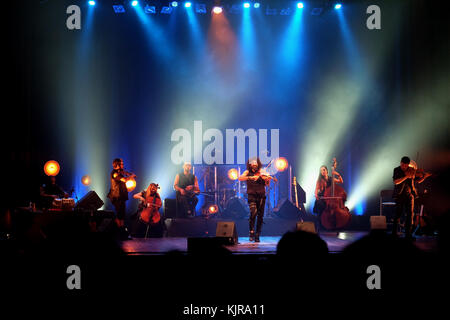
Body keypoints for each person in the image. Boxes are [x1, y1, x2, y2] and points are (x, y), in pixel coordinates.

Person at [392, 156, 432, 240]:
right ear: (401, 163)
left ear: (408, 164)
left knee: (410, 215)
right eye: (403, 165)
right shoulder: (396, 170)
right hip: (399, 195)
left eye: (406, 165)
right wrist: (406, 176)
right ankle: (394, 234)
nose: (404, 167)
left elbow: (418, 180)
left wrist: (424, 176)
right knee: (397, 215)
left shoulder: (411, 170)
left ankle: (408, 235)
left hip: (409, 195)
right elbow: (396, 182)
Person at [238, 157, 276, 242]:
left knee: (260, 216)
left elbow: (267, 185)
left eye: (256, 163)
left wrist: (267, 179)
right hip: (252, 195)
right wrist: (250, 177)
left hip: (261, 195)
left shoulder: (263, 172)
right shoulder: (247, 172)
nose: (255, 164)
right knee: (253, 212)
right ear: (250, 164)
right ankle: (251, 231)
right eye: (253, 163)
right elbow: (240, 178)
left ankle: (258, 234)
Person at [107, 158, 135, 239]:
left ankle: (122, 232)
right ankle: (120, 232)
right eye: (121, 164)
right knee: (119, 215)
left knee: (122, 215)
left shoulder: (119, 172)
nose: (123, 165)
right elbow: (124, 179)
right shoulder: (114, 173)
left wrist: (129, 173)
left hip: (121, 196)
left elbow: (124, 174)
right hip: (117, 197)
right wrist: (131, 176)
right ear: (117, 164)